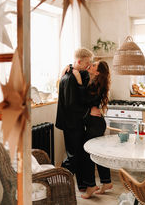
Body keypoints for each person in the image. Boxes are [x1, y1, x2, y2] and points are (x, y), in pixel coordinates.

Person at [72, 60, 113, 199]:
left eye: (94, 65)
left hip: (95, 124)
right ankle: (106, 182)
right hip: (96, 123)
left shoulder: (97, 83)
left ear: (98, 72)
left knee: (87, 155)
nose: (91, 65)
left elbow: (85, 99)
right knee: (98, 153)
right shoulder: (95, 80)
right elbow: (90, 101)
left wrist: (78, 81)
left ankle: (90, 186)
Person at [55, 47, 93, 191]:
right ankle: (58, 182)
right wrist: (88, 111)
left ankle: (82, 185)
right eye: (87, 63)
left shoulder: (72, 73)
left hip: (72, 123)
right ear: (79, 61)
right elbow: (72, 105)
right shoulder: (70, 78)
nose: (88, 66)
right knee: (73, 156)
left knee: (79, 154)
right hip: (72, 124)